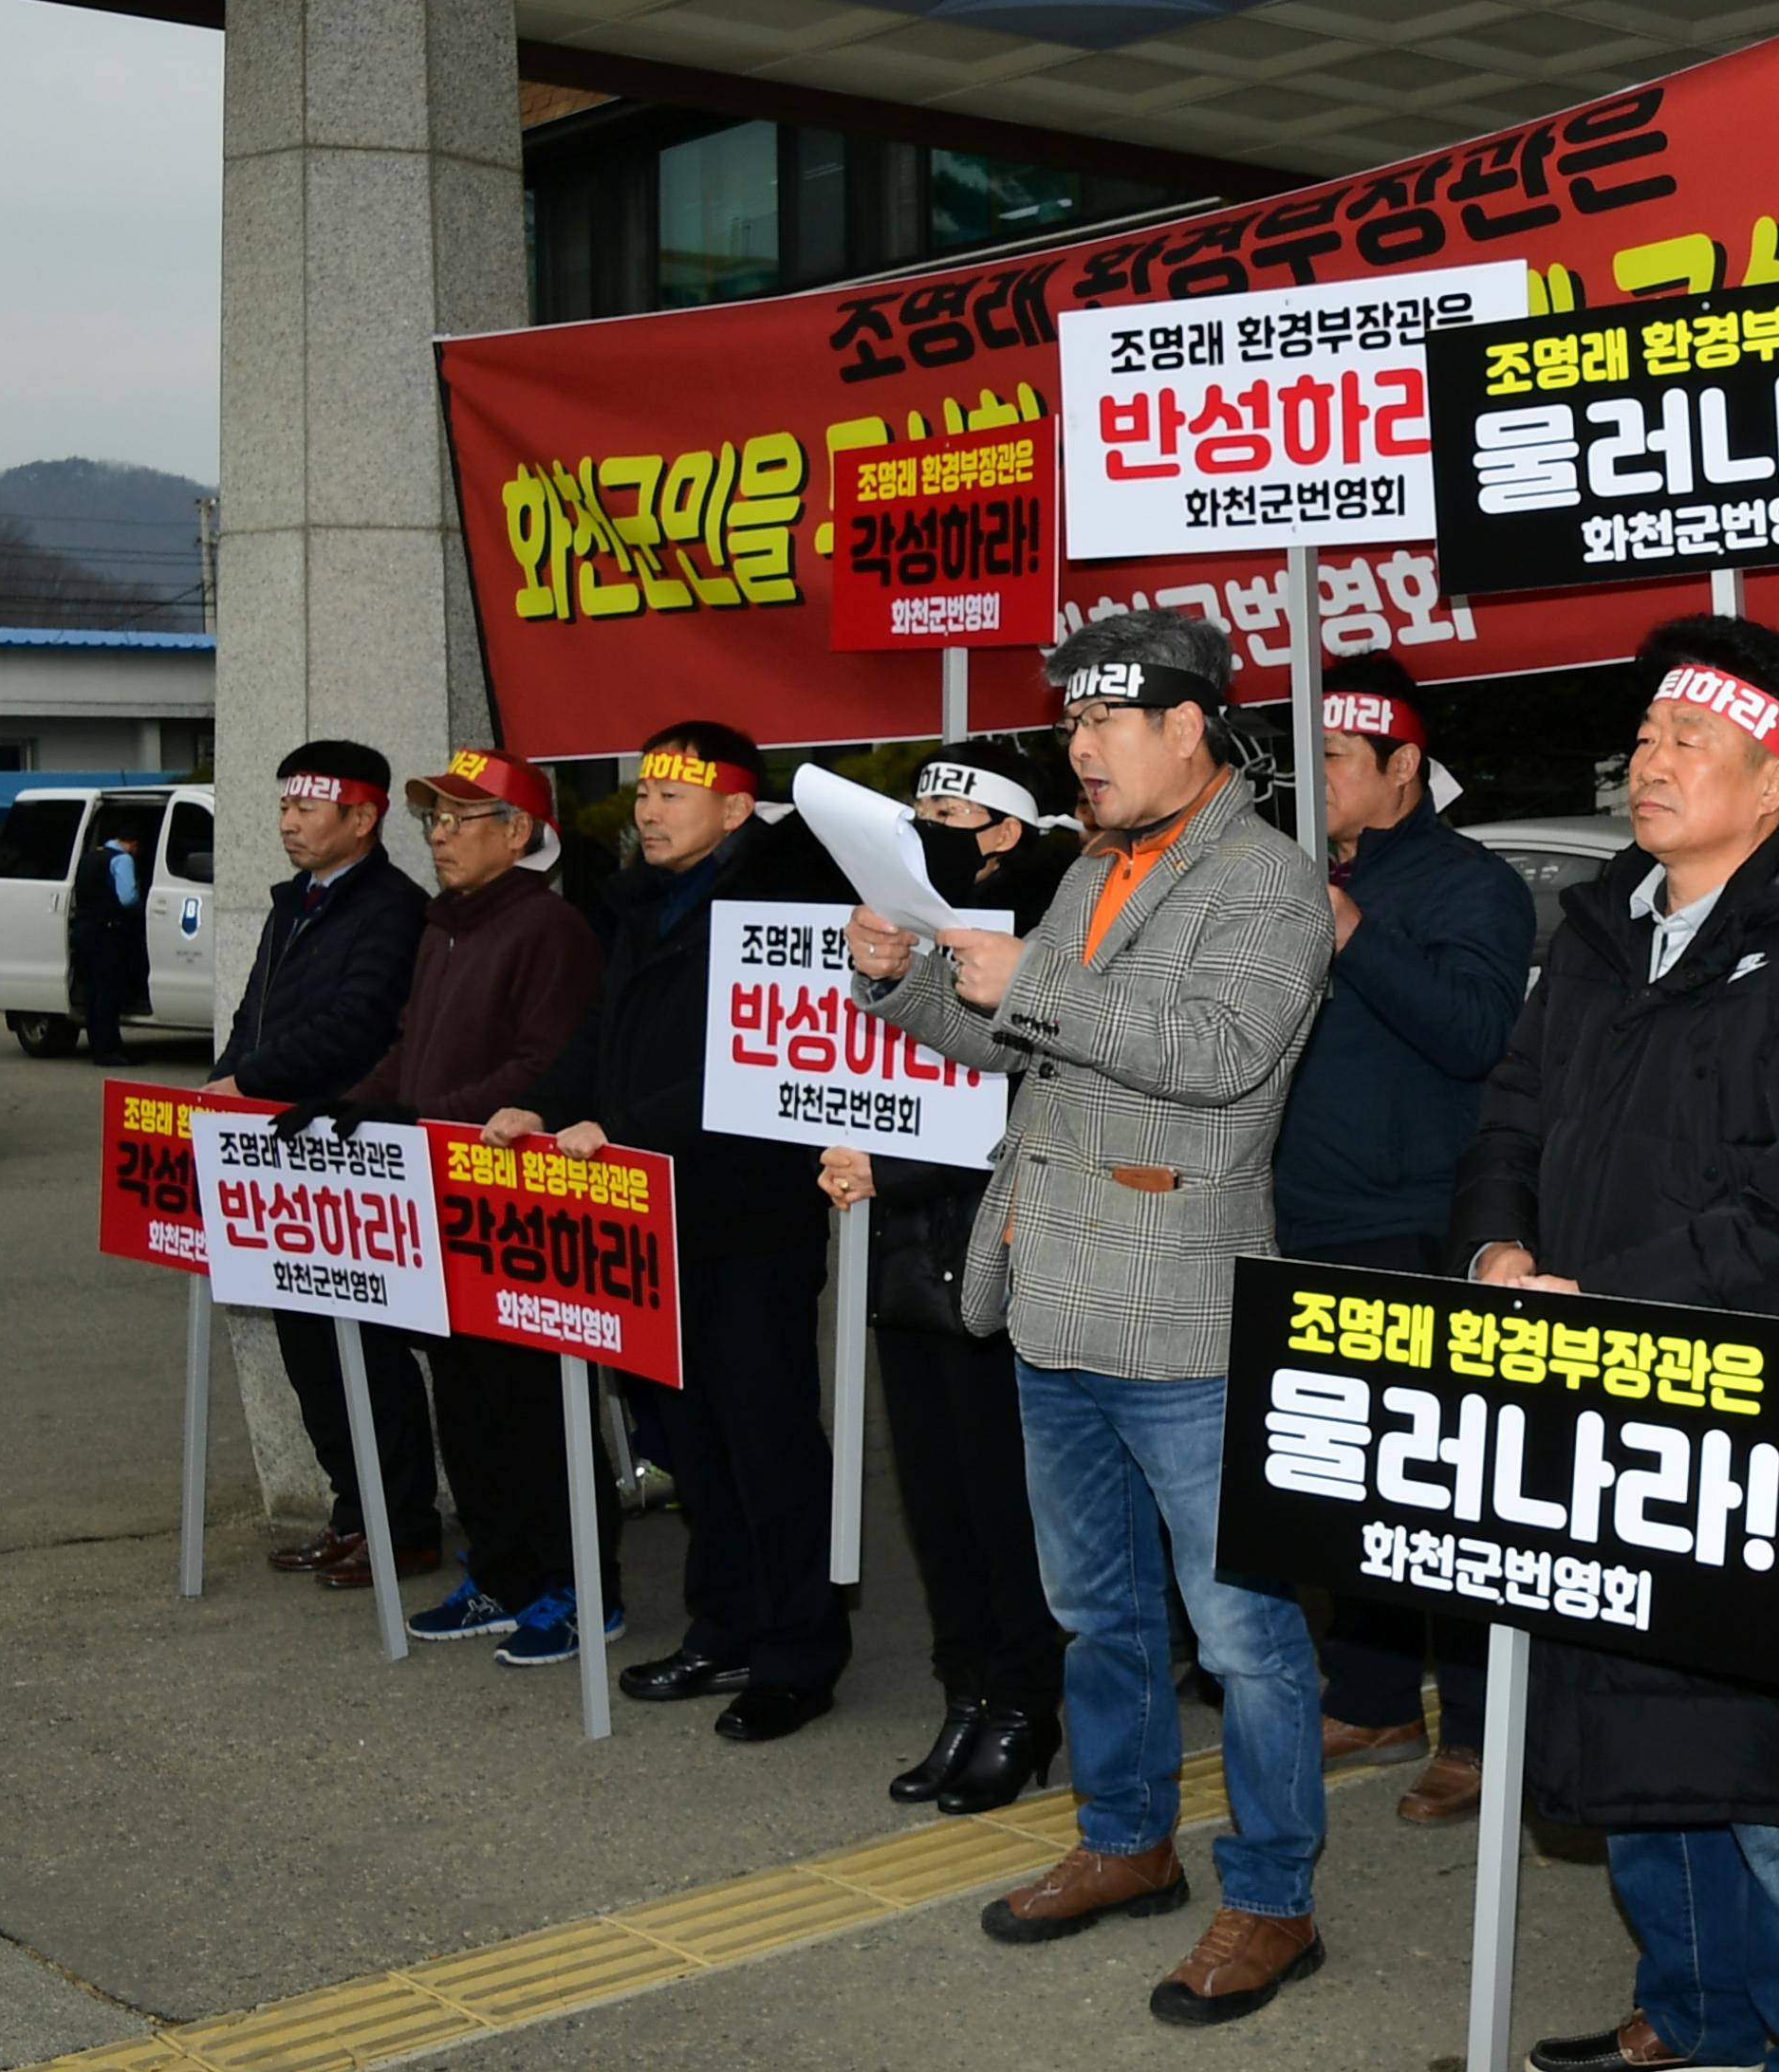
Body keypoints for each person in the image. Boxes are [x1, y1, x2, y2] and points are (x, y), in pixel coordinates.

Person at [847, 612, 1336, 2027]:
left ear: (1188, 730)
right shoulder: (1097, 870)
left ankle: (1272, 1900)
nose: (1078, 749)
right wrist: (911, 981)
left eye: (1102, 725)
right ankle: (1126, 1843)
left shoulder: (1267, 882)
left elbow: (1221, 1060)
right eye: (1070, 726)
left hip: (1182, 1307)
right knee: (1096, 1616)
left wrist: (1034, 982)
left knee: (1242, 1636)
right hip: (1054, 1289)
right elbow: (1020, 1039)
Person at [1458, 615, 1779, 2072]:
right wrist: (1500, 1250)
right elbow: (1510, 1118)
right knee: (1626, 1734)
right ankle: (1693, 2017)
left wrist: (1612, 1299)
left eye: (1687, 746)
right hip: (1584, 1383)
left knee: (1772, 1769)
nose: (1648, 767)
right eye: (1646, 739)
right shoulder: (1599, 931)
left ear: (1776, 782)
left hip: (1747, 1408)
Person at [485, 722, 851, 1745]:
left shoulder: (792, 899)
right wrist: (544, 1105)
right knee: (692, 1435)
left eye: (673, 797)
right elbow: (601, 1031)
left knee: (766, 1431)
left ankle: (798, 1650)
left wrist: (625, 1129)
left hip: (749, 1210)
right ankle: (725, 1622)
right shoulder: (643, 898)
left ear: (737, 808)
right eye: (644, 792)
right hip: (649, 1210)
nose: (647, 811)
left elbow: (766, 1063)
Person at [269, 750, 616, 1665]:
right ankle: (502, 1572)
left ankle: (581, 1587)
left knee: (535, 1403)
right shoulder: (444, 926)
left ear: (519, 835)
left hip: (515, 1209)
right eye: (434, 819)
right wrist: (358, 1103)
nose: (440, 835)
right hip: (440, 1198)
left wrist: (415, 1113)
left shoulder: (550, 928)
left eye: (463, 819)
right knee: (465, 1399)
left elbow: (542, 1070)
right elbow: (409, 1048)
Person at [1279, 654, 1535, 1827]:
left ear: (1401, 769)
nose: (1313, 774)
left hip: (1413, 1223)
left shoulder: (1468, 885)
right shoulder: (1286, 876)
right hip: (1304, 1215)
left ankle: (1482, 1728)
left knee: (1440, 1489)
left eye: (1333, 754)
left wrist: (1351, 929)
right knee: (1345, 1482)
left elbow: (1477, 1034)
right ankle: (1375, 1692)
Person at [815, 739, 1074, 1816]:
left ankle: (1024, 1700)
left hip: (1005, 1242)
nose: (919, 840)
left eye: (945, 823)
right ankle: (964, 1689)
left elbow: (1032, 1087)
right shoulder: (905, 930)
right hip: (907, 1239)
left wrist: (894, 1159)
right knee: (932, 1491)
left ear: (1007, 832)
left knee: (1002, 1493)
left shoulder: (1058, 919)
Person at [206, 742, 439, 1593]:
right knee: (308, 1348)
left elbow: (359, 1025)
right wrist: (224, 1082)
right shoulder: (294, 903)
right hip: (281, 1156)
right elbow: (253, 1013)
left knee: (366, 1350)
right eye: (283, 808)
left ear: (364, 817)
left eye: (307, 809)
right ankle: (354, 1513)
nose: (288, 824)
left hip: (349, 1154)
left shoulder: (392, 910)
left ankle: (404, 1526)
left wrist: (249, 1080)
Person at [69, 814, 151, 1066]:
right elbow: (127, 898)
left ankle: (100, 1046)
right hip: (107, 933)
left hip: (84, 930)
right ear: (134, 844)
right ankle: (108, 1051)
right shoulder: (122, 859)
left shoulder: (91, 855)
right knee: (109, 992)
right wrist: (143, 908)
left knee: (95, 992)